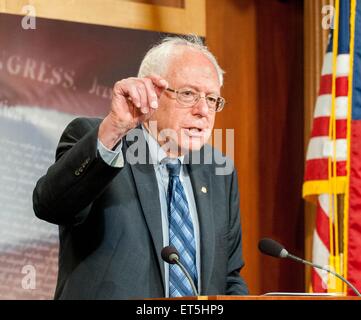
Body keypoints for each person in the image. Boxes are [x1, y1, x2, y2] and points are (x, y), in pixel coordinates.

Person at [33, 35, 248, 299]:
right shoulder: (102, 140)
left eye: (212, 99)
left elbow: (228, 277)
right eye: (189, 94)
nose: (203, 110)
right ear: (151, 93)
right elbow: (51, 205)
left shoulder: (218, 171)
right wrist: (114, 128)